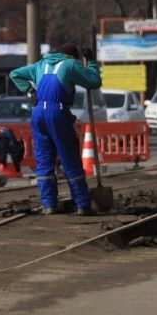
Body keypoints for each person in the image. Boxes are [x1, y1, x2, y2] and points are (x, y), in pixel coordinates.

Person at [8, 43, 102, 214]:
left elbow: (14, 74)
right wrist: (91, 61)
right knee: (69, 158)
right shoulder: (71, 64)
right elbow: (94, 81)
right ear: (72, 56)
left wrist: (30, 91)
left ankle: (48, 205)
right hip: (56, 112)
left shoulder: (41, 64)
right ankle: (82, 205)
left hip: (38, 113)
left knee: (44, 159)